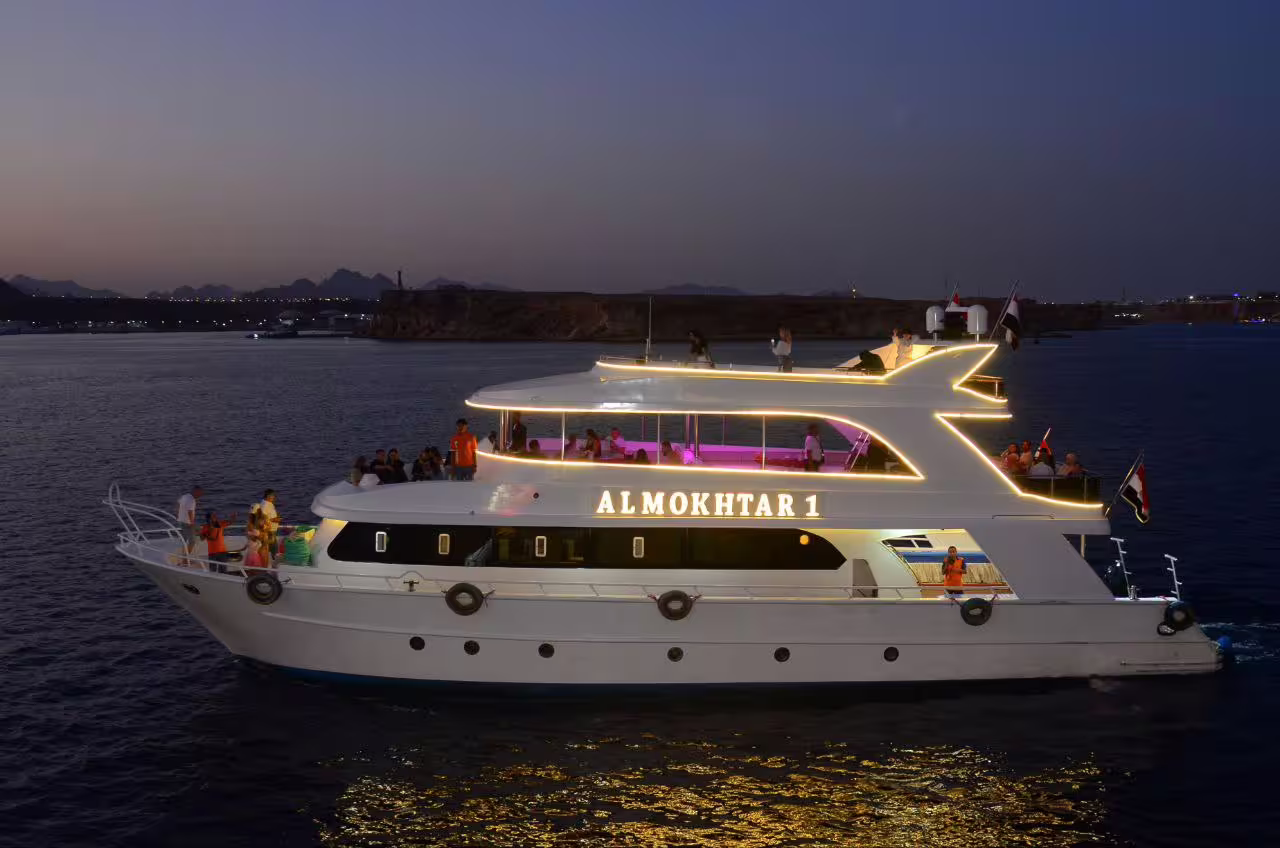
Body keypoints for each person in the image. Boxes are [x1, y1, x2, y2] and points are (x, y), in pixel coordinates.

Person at [176, 485, 202, 563]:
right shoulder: (192, 500)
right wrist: (192, 523)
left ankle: (183, 556)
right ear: (196, 491)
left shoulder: (184, 496)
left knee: (184, 539)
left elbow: (178, 503)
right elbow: (190, 511)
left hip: (181, 521)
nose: (200, 495)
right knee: (192, 541)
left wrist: (178, 515)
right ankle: (185, 560)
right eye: (200, 493)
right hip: (187, 523)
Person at [256, 489, 280, 564]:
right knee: (274, 548)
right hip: (269, 530)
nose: (275, 498)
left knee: (271, 547)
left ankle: (271, 562)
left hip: (272, 529)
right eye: (273, 496)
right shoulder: (264, 505)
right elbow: (262, 519)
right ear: (269, 496)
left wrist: (275, 518)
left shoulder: (269, 503)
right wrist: (274, 520)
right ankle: (275, 563)